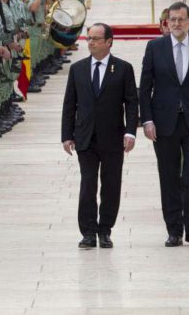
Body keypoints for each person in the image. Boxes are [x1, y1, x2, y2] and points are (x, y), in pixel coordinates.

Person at [139, 2, 189, 247]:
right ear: (167, 22)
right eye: (172, 19)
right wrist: (147, 120)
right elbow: (145, 87)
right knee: (169, 176)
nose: (176, 23)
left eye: (181, 19)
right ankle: (174, 230)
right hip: (164, 123)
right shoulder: (155, 48)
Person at [61, 23, 138, 249]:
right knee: (88, 185)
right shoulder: (78, 69)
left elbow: (132, 103)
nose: (91, 42)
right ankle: (87, 231)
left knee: (111, 185)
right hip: (85, 137)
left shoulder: (123, 68)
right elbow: (69, 104)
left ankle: (105, 229)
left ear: (108, 41)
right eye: (89, 38)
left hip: (113, 137)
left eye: (95, 38)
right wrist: (67, 135)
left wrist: (131, 132)